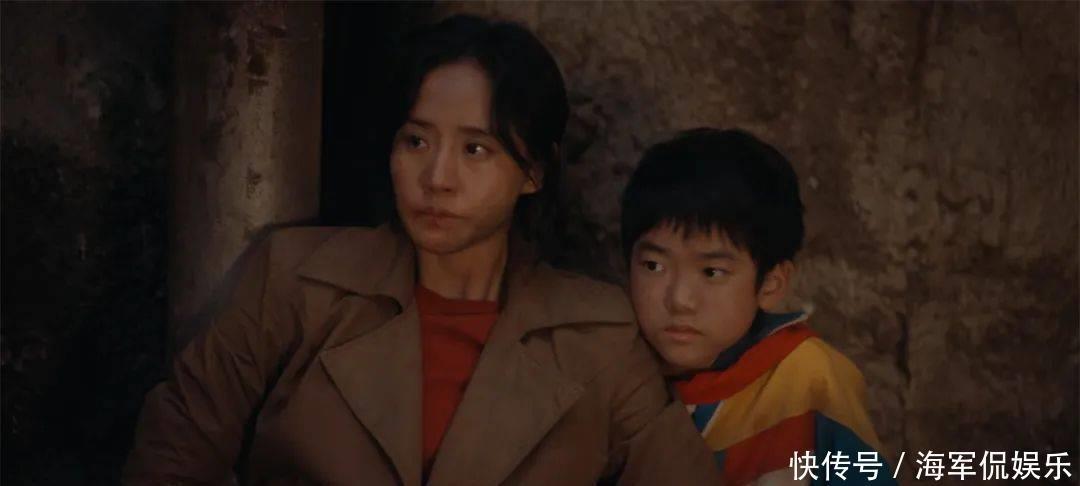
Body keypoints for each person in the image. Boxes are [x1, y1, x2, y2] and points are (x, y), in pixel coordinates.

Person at [123, 14, 720, 486]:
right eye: (415, 141)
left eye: (475, 149)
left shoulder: (601, 338)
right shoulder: (297, 280)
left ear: (534, 171)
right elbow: (173, 453)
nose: (437, 178)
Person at [621, 128, 894, 485]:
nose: (679, 300)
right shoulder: (613, 369)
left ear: (770, 284)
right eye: (654, 266)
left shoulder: (808, 380)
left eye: (712, 272)